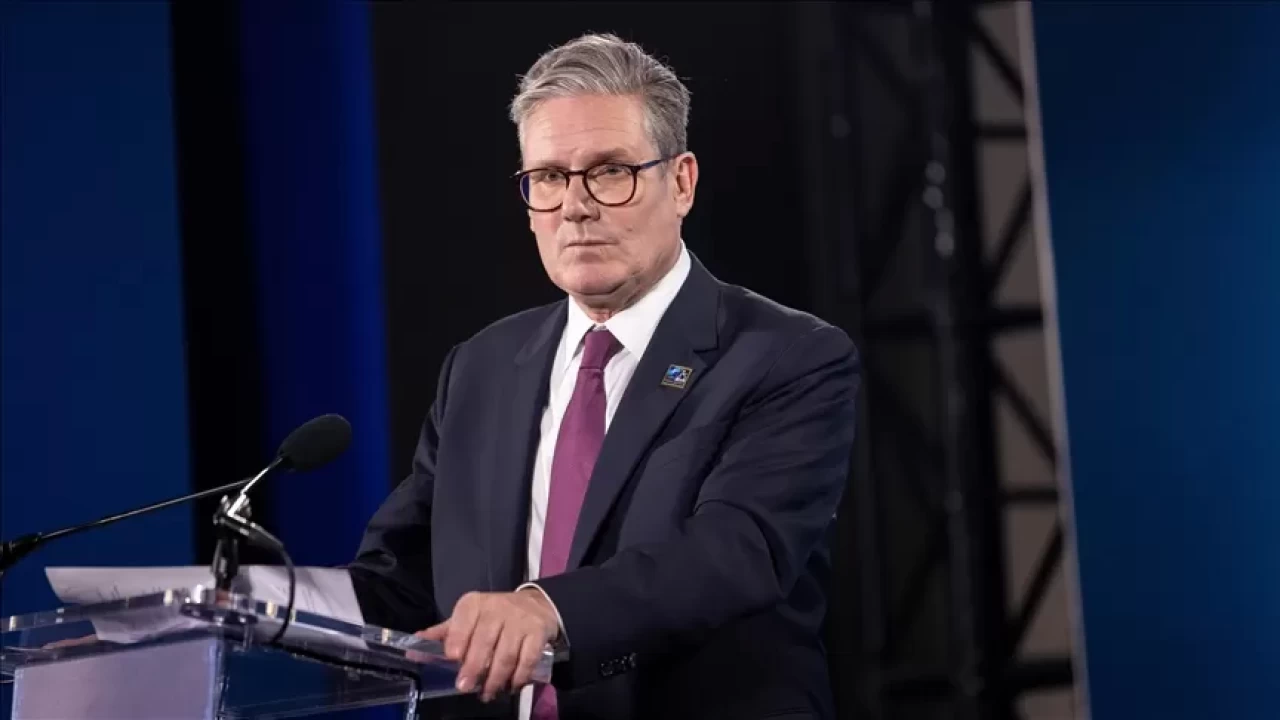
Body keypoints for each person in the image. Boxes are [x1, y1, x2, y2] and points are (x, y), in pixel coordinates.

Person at [349, 32, 860, 720]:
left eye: (610, 171)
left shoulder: (787, 356)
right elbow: (400, 576)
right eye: (549, 177)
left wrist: (547, 609)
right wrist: (260, 606)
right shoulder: (481, 367)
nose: (575, 205)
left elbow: (736, 551)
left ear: (681, 183)